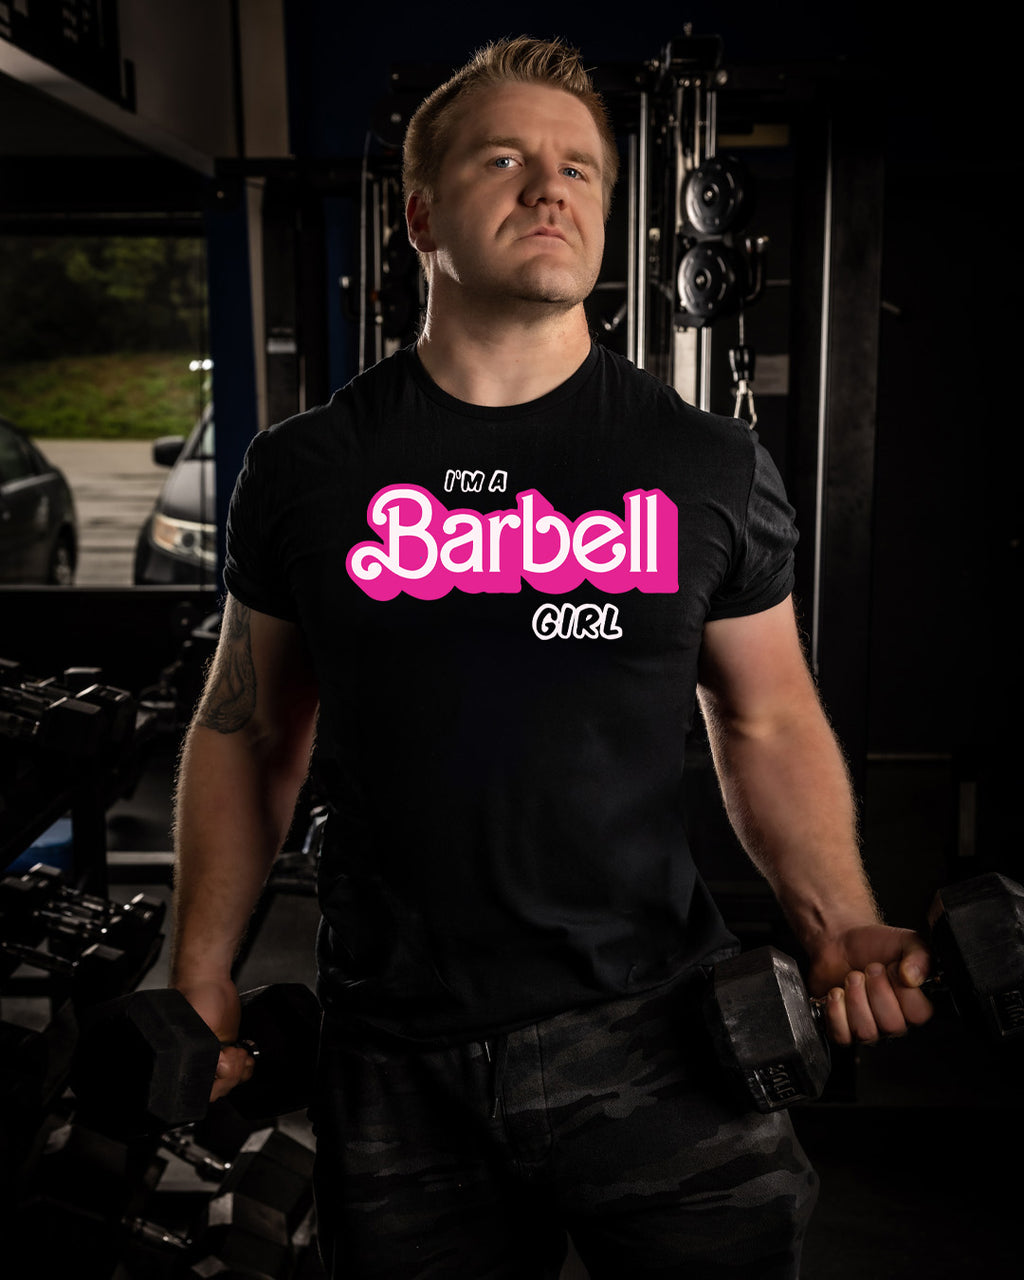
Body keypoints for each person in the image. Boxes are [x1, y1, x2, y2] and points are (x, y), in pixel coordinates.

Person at [170, 35, 934, 1279]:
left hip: (654, 1029)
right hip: (397, 1049)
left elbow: (767, 719)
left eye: (580, 168)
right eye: (503, 159)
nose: (550, 188)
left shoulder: (703, 463)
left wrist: (840, 918)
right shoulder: (309, 469)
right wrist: (198, 969)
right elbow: (249, 728)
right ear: (420, 214)